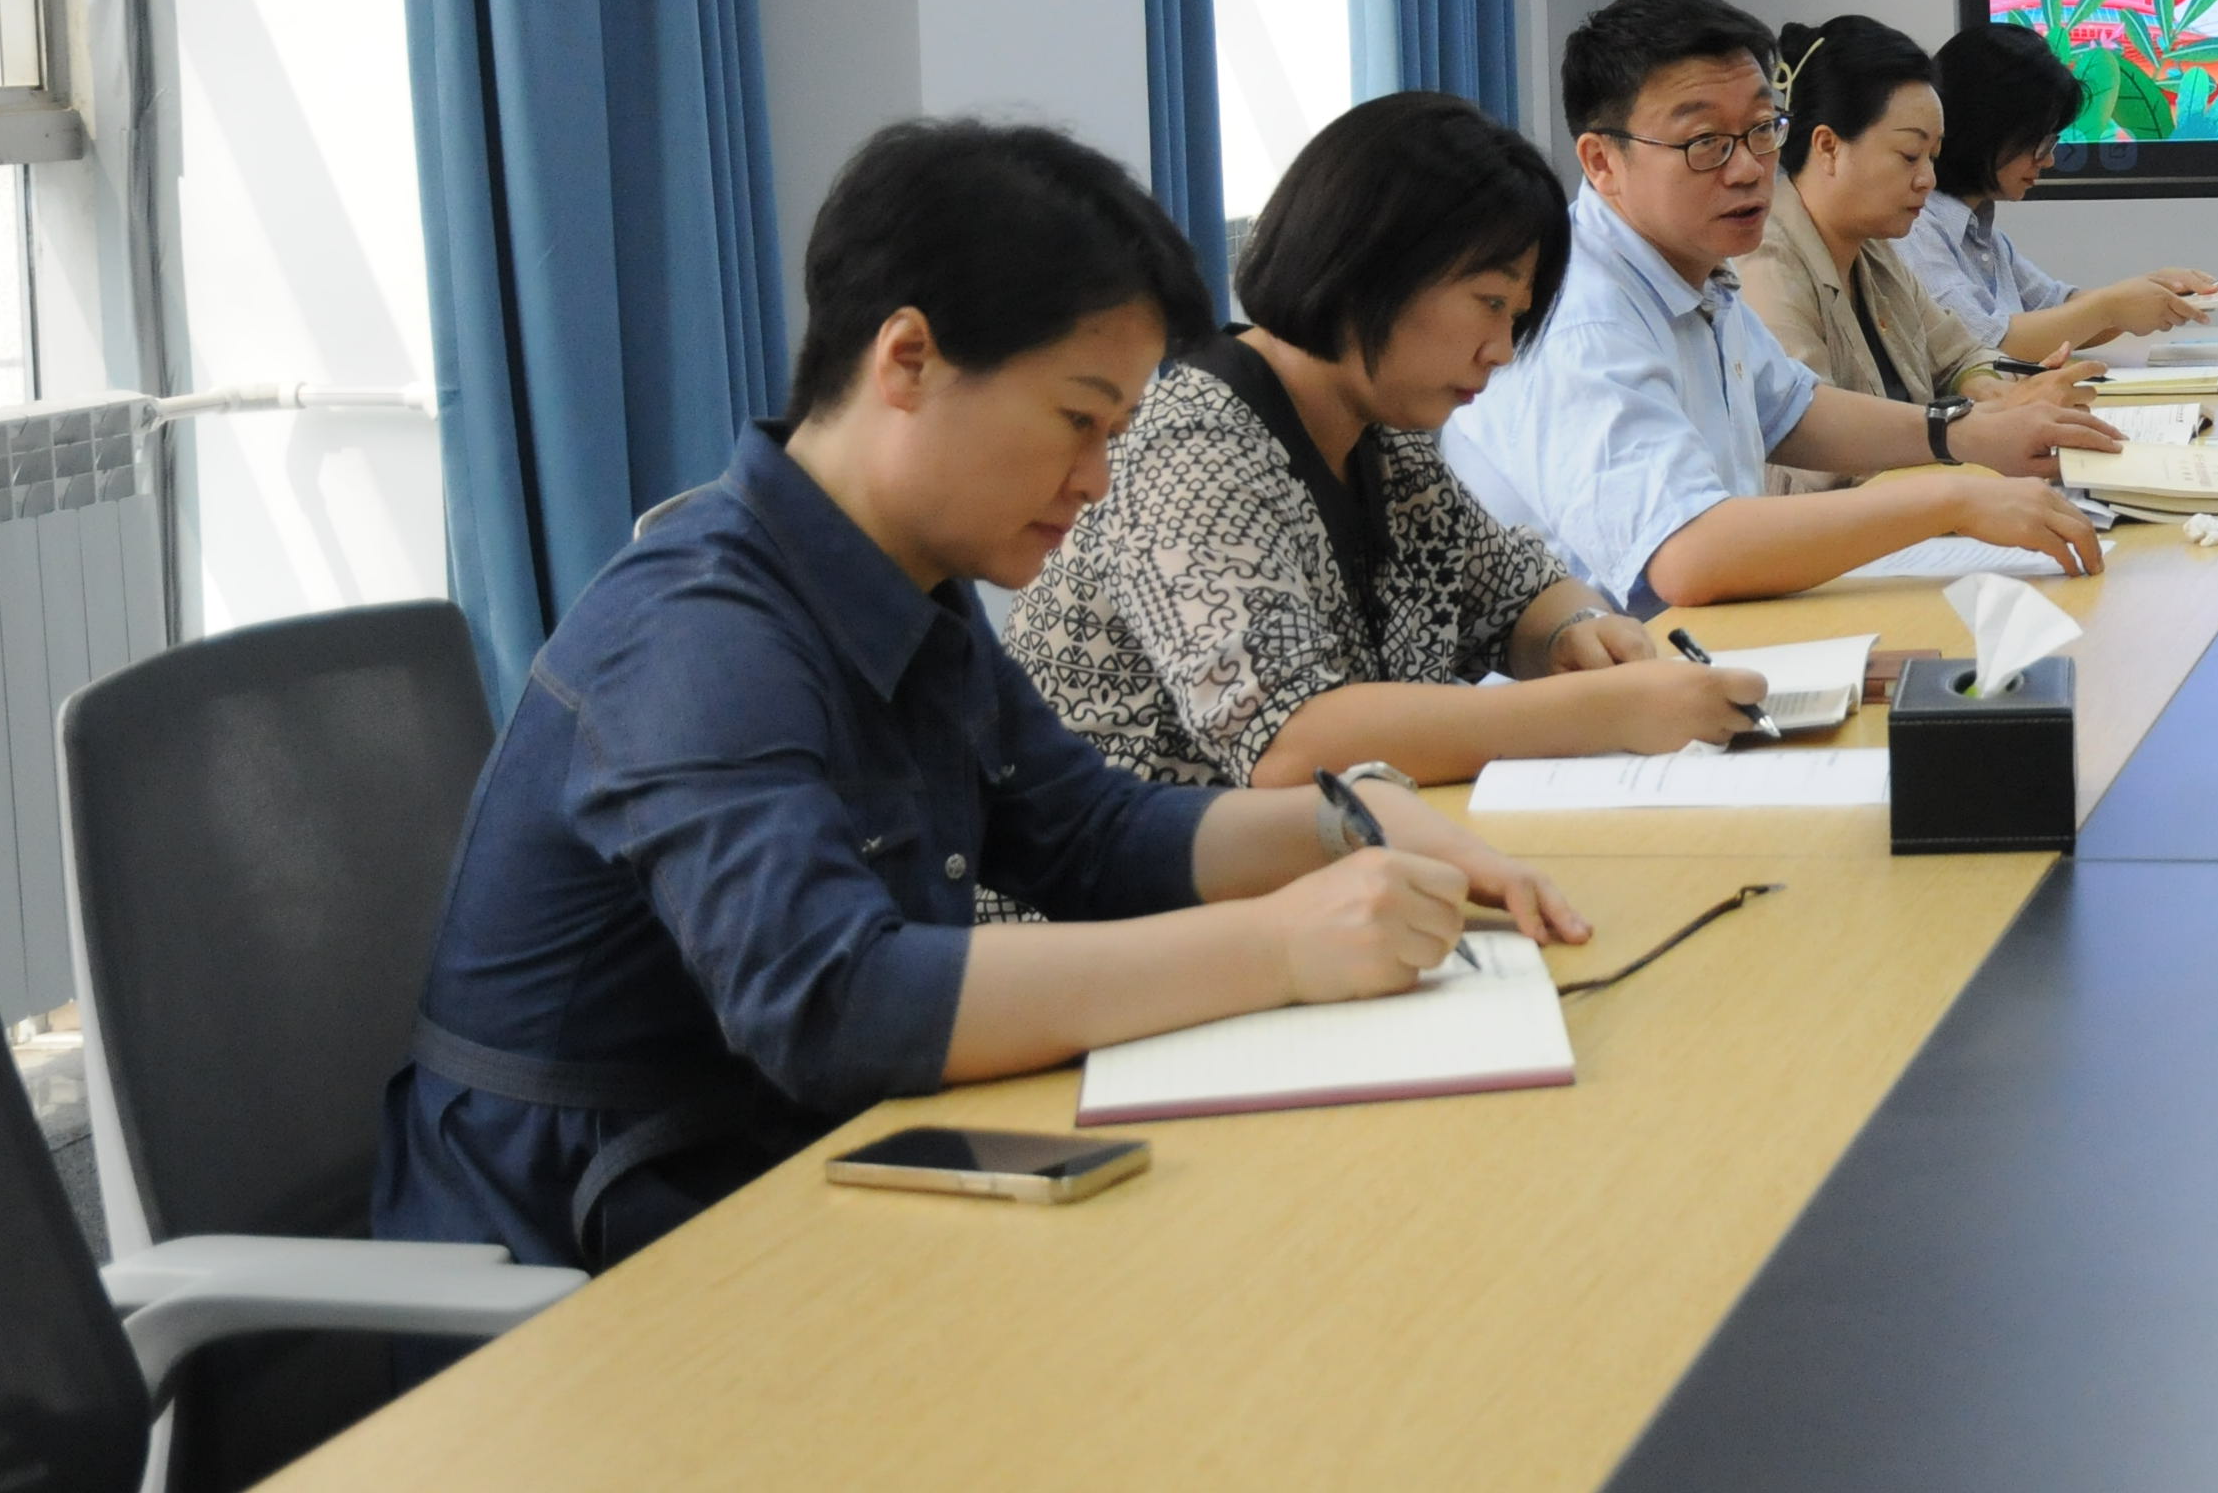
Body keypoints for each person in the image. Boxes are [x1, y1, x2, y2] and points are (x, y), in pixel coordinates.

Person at [376, 120, 1587, 1273]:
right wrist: (1277, 946)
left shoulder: (907, 583)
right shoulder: (697, 633)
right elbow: (833, 1001)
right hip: (596, 1257)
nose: (1097, 478)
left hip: (801, 1172)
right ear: (907, 359)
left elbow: (1089, 833)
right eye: (1077, 419)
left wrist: (1343, 823)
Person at [1009, 93, 1766, 798]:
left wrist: (1580, 634)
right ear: (1374, 264)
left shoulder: (1386, 442)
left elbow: (1519, 594)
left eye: (1516, 317)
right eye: (1489, 303)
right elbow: (1290, 744)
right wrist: (1602, 709)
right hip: (1137, 889)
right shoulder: (1192, 449)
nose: (1502, 350)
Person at [1443, 0, 2117, 611]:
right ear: (1601, 162)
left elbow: (1793, 409)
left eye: (1763, 130)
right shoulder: (1582, 319)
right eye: (1706, 143)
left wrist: (1964, 435)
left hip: (1709, 640)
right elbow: (1687, 555)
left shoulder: (1691, 267)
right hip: (1609, 681)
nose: (1747, 168)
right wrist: (1951, 497)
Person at [1738, 17, 2097, 493]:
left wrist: (1995, 391)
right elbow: (1822, 457)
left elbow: (1958, 354)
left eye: (1933, 157)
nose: (1928, 179)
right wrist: (1976, 431)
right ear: (1828, 147)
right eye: (1910, 156)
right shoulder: (1767, 266)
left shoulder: (1875, 251)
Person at [1908, 19, 2218, 358]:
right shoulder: (1915, 230)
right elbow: (1988, 346)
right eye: (2039, 142)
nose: (2048, 160)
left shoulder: (1981, 232)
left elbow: (2058, 308)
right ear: (1986, 131)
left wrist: (2156, 290)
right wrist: (2112, 306)